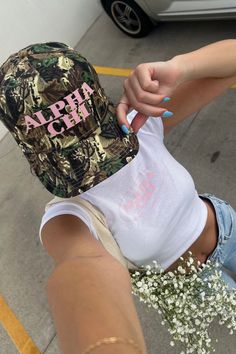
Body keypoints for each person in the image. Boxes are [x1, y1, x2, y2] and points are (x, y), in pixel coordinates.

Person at [0, 39, 235, 354]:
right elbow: (83, 268)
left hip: (225, 226)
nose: (100, 165)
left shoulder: (136, 125)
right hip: (191, 287)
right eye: (76, 154)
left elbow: (228, 65)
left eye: (97, 138)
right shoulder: (69, 217)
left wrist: (179, 67)